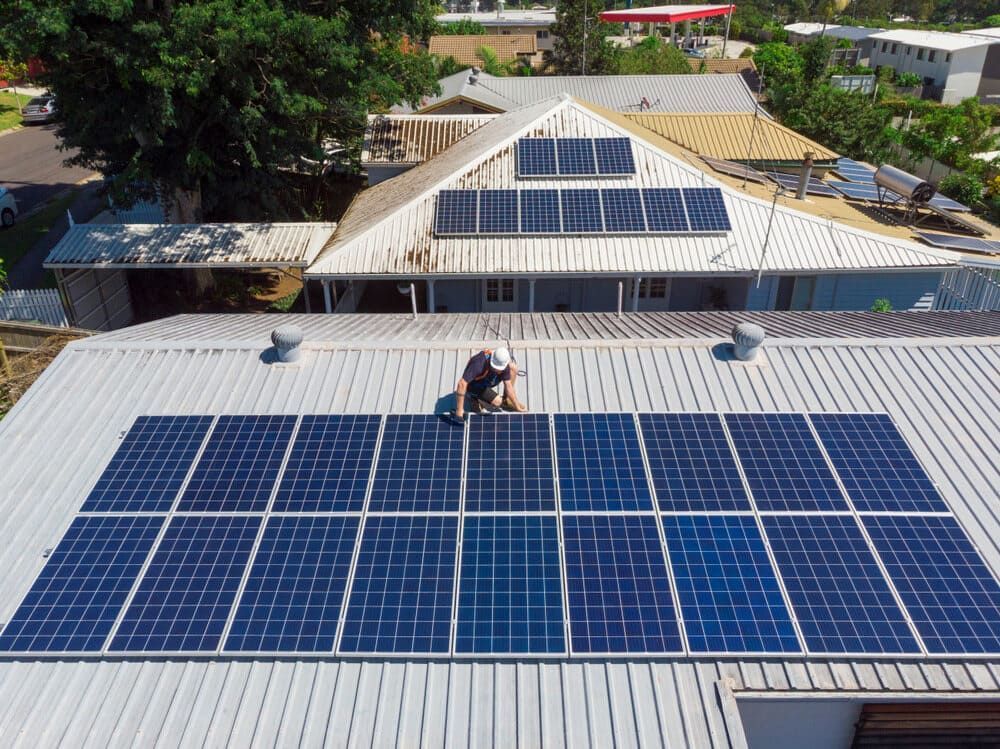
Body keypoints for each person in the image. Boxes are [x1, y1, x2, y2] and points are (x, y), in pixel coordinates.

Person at [454, 346, 527, 419]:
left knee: (513, 368)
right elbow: (462, 384)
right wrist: (459, 411)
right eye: (495, 367)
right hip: (474, 385)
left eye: (499, 369)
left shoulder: (503, 364)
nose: (497, 370)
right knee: (498, 402)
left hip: (487, 380)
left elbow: (508, 386)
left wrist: (517, 406)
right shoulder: (479, 363)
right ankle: (473, 397)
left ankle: (506, 400)